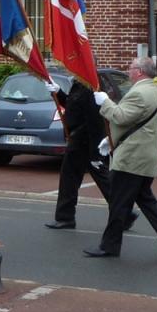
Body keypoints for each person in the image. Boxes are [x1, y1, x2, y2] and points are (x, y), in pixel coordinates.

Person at [85, 56, 157, 259]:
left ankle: (109, 246)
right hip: (142, 157)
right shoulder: (153, 91)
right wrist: (111, 139)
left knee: (118, 203)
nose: (128, 70)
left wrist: (105, 102)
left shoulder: (139, 93)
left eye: (131, 67)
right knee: (147, 201)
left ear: (139, 71)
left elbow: (120, 116)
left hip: (132, 158)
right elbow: (134, 122)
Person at [45, 78, 116, 230]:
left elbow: (95, 120)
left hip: (85, 139)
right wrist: (58, 92)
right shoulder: (79, 85)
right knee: (89, 178)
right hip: (80, 139)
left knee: (71, 178)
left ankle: (65, 217)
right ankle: (124, 212)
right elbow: (73, 108)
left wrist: (95, 150)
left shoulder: (89, 86)